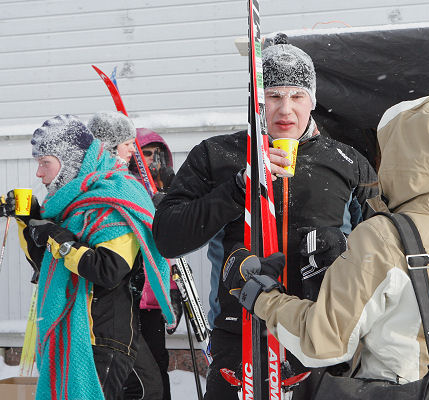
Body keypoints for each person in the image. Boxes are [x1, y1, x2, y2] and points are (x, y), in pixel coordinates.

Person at [221, 95, 429, 399]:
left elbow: (323, 342)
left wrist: (261, 296)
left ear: (404, 158)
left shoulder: (385, 236)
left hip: (408, 392)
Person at [152, 33, 378, 400]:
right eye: (273, 96)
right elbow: (168, 236)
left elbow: (382, 249)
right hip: (238, 335)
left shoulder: (348, 162)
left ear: (313, 101)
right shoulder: (216, 155)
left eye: (297, 96)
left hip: (321, 333)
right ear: (256, 100)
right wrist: (239, 188)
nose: (285, 110)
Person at [4, 114, 175, 399]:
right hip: (74, 333)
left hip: (103, 336)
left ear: (68, 161)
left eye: (44, 163)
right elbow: (43, 262)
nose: (39, 174)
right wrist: (28, 219)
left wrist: (56, 238)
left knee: (150, 388)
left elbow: (109, 269)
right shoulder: (70, 204)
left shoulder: (114, 198)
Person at [130, 127, 182, 400]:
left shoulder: (167, 189)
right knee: (136, 373)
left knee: (158, 364)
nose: (151, 160)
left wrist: (174, 291)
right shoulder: (128, 188)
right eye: (145, 153)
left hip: (155, 298)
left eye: (156, 154)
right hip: (130, 294)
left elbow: (172, 249)